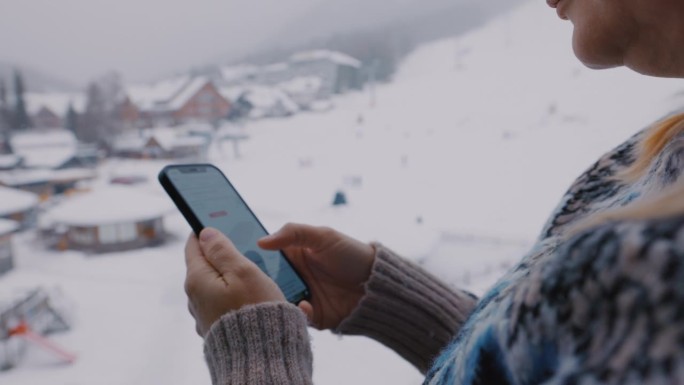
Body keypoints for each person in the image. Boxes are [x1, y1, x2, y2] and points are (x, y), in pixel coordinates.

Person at [183, 0, 684, 383]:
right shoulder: (662, 153)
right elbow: (551, 355)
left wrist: (256, 354)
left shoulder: (668, 257)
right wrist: (387, 299)